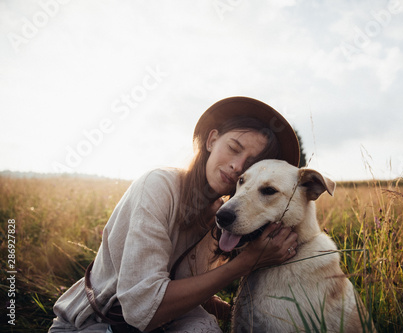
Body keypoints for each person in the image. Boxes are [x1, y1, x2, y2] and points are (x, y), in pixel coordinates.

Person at [49, 96, 301, 332]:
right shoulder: (158, 186)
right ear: (212, 140)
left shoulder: (224, 217)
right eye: (234, 148)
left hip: (166, 322)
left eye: (251, 164)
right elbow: (142, 309)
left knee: (204, 327)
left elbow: (187, 289)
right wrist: (246, 263)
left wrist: (240, 311)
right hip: (94, 323)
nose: (237, 166)